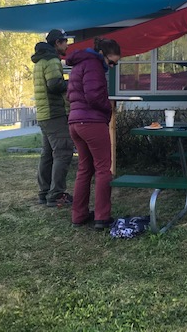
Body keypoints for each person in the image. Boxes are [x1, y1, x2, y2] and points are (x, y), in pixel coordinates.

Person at [66, 37, 121, 230]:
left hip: (75, 122)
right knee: (103, 169)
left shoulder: (79, 65)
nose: (112, 66)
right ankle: (102, 217)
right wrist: (109, 109)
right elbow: (94, 96)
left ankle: (79, 215)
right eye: (112, 62)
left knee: (84, 169)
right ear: (102, 54)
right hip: (92, 122)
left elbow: (70, 95)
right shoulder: (94, 65)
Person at [32, 29, 75, 207]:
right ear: (57, 43)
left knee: (48, 154)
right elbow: (55, 85)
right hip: (54, 113)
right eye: (65, 42)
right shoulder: (51, 60)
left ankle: (44, 192)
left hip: (43, 114)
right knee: (63, 152)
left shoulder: (41, 60)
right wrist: (73, 81)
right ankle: (56, 194)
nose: (67, 45)